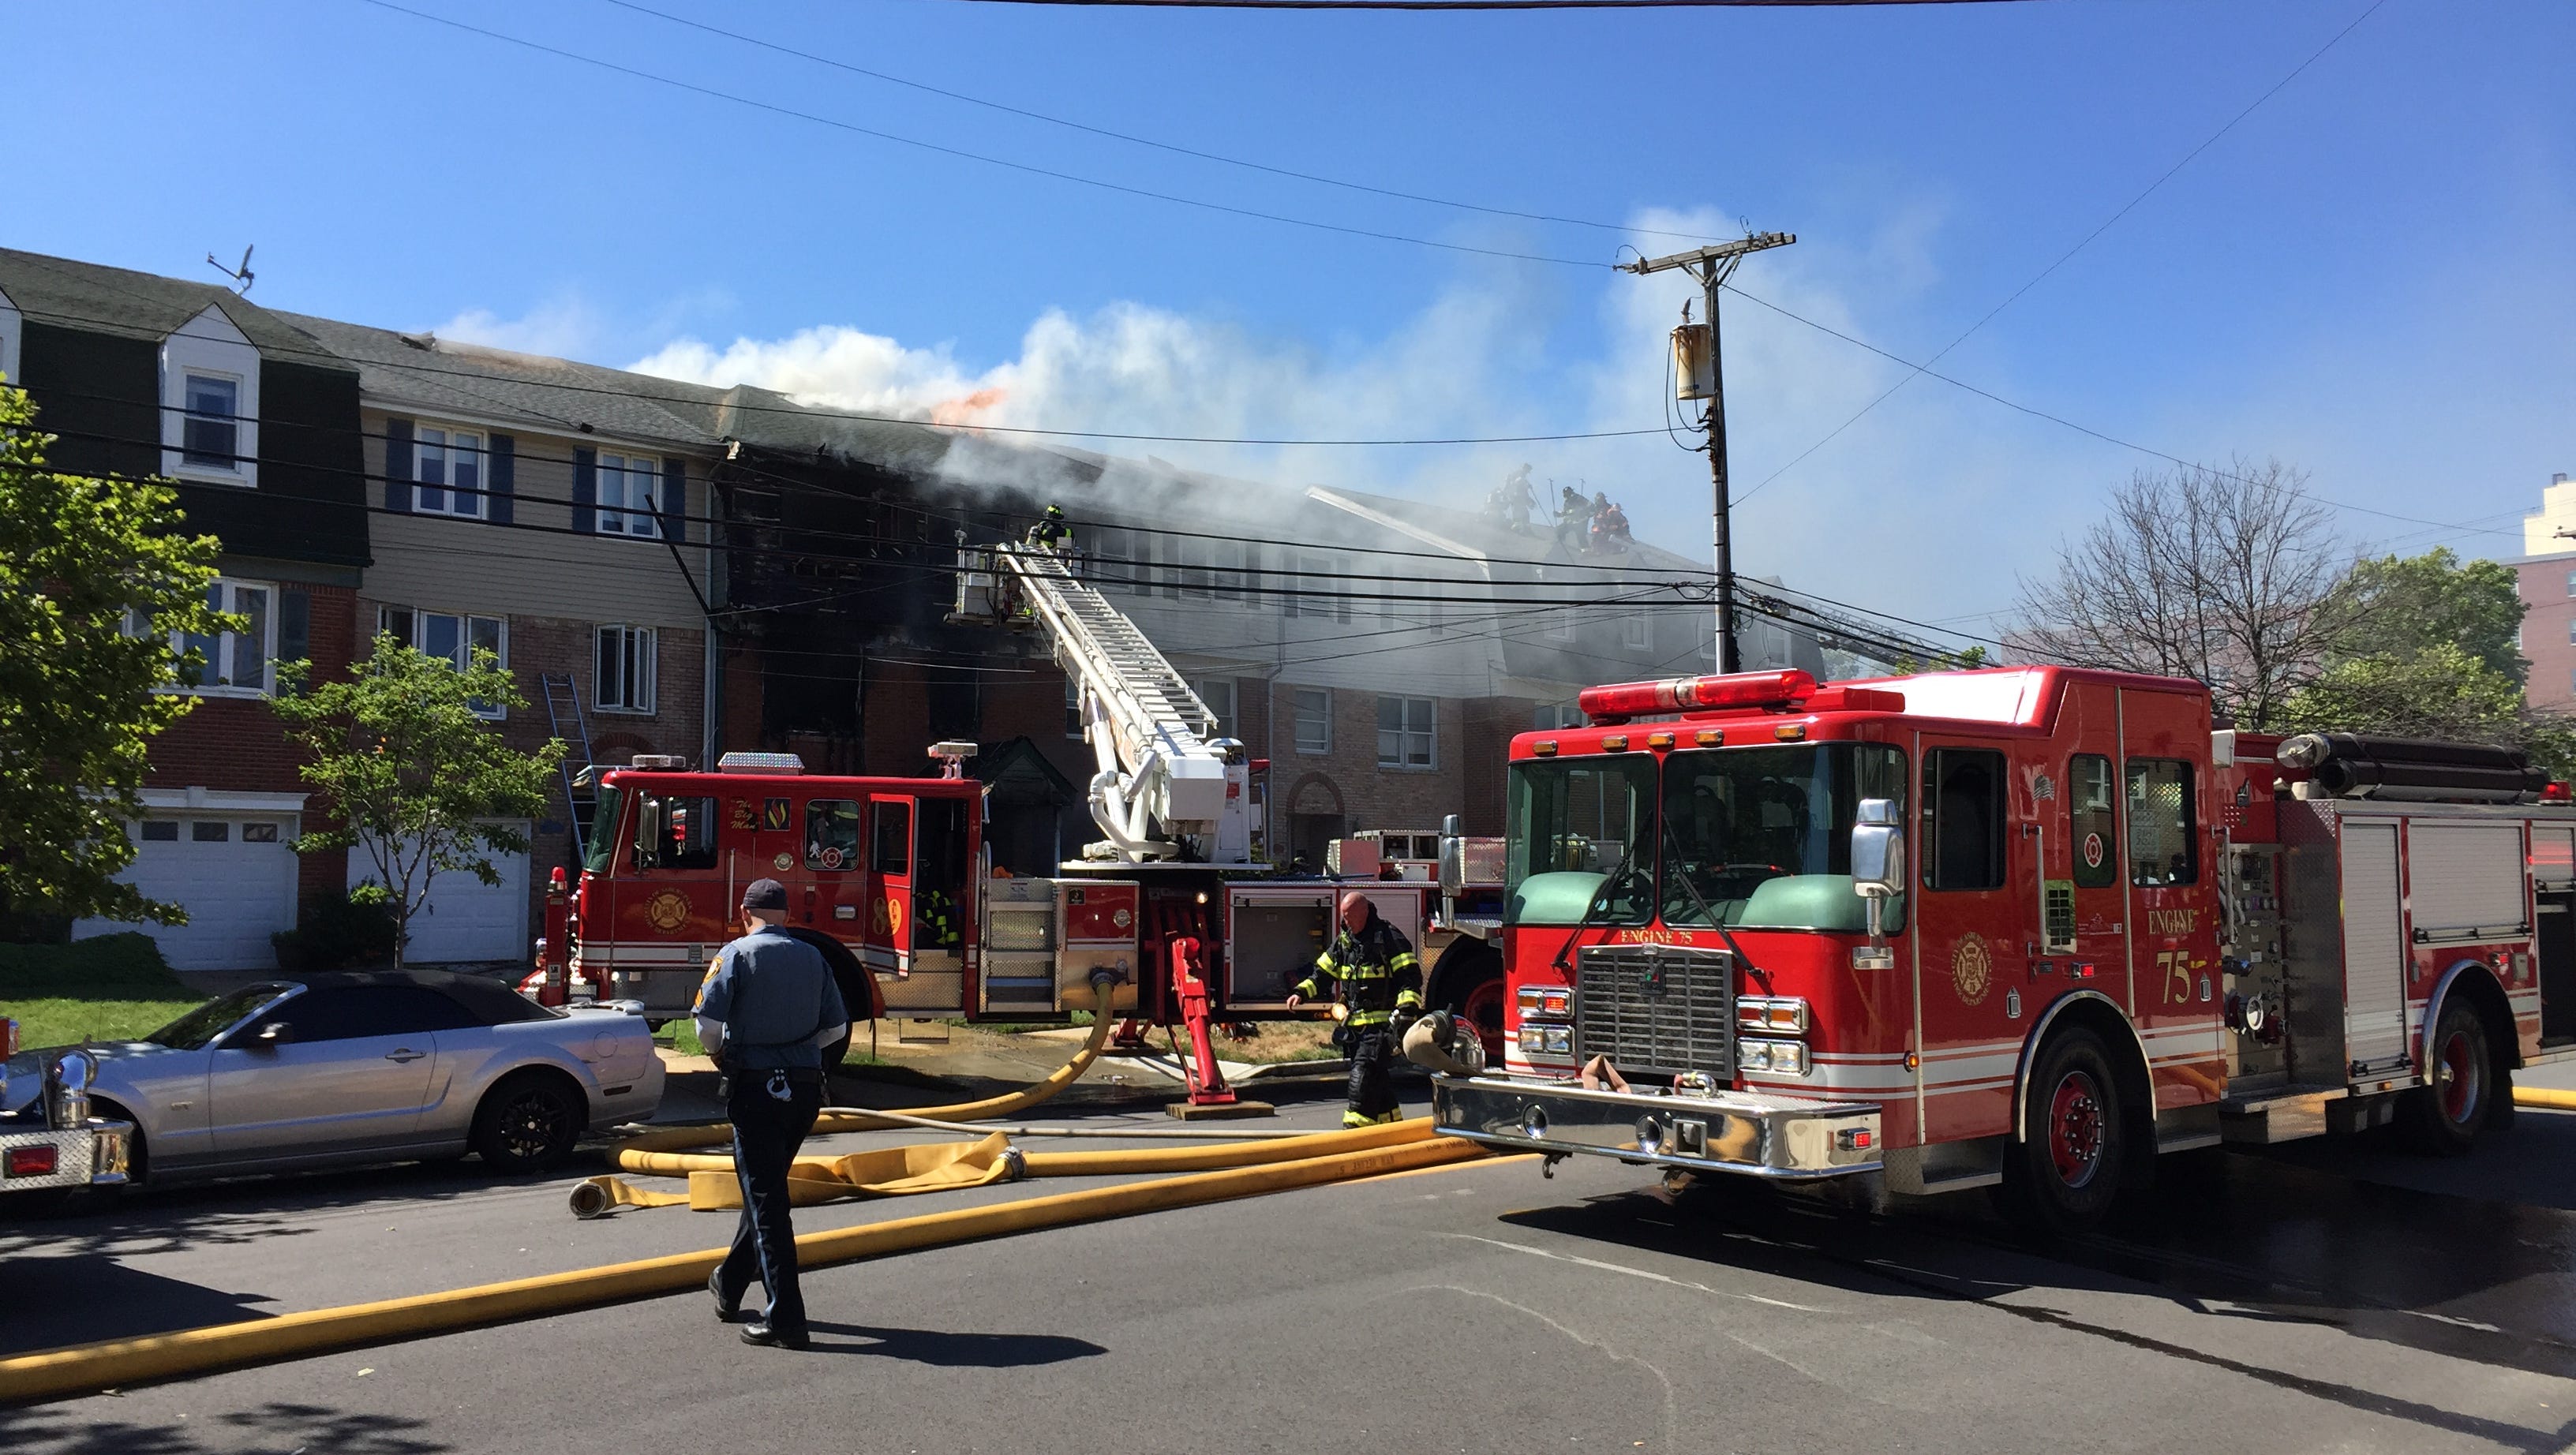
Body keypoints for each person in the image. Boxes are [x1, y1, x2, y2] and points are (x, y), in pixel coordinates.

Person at [695, 878, 848, 1349]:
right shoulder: (814, 956)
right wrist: (798, 1051)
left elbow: (706, 1026)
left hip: (756, 1089)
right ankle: (730, 1281)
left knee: (767, 1204)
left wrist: (725, 1055)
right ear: (786, 915)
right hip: (803, 1092)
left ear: (746, 913)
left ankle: (786, 1316)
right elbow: (836, 1027)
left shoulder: (736, 955)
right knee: (764, 1192)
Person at [1286, 891, 1422, 1128]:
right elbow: (1323, 973)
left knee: (1362, 1078)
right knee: (1378, 1082)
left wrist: (1407, 1011)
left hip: (1381, 1028)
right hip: (1355, 1028)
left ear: (1364, 912)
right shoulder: (1345, 941)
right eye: (1344, 917)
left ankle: (1353, 1131)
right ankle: (1391, 1128)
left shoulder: (1389, 938)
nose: (1345, 922)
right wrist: (1301, 992)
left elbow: (1409, 977)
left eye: (1349, 917)